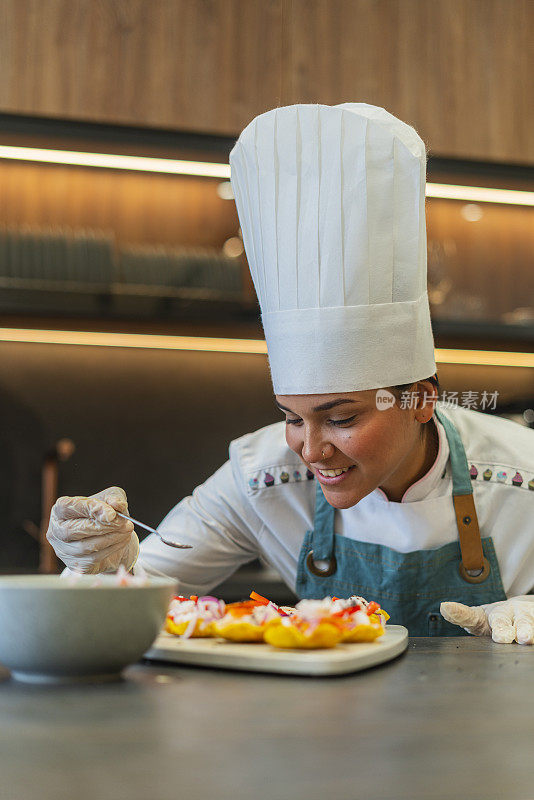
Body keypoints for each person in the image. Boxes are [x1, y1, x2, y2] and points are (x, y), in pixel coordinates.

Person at [47, 103, 534, 643]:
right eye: (293, 418)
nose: (310, 449)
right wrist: (100, 564)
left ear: (419, 399)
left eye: (341, 417)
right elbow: (126, 600)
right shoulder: (262, 479)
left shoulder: (522, 476)